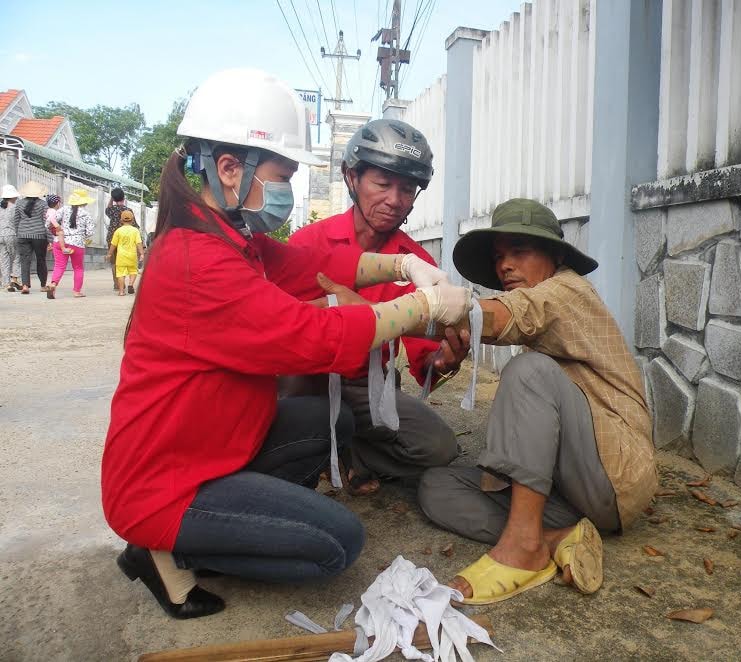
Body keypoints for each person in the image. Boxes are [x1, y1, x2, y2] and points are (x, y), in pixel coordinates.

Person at [101, 68, 471, 620]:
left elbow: (308, 264)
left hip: (210, 443)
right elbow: (310, 336)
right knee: (336, 544)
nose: (287, 190)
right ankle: (163, 547)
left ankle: (227, 521)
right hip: (164, 481)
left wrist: (401, 263)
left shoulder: (229, 233)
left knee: (335, 422)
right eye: (282, 174)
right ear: (230, 168)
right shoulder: (196, 260)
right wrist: (418, 307)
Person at [418, 198, 657, 605]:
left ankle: (523, 550)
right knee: (435, 487)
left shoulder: (566, 289)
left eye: (519, 252)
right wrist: (442, 356)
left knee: (528, 373)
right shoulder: (544, 297)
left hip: (615, 476)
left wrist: (402, 312)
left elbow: (503, 315)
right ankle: (555, 536)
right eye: (499, 257)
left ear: (556, 255)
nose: (505, 266)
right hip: (571, 493)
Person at [290, 119, 469, 495]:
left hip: (365, 386)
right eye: (383, 184)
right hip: (302, 377)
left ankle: (350, 453)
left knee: (439, 447)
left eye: (407, 189)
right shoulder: (309, 243)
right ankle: (310, 457)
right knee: (292, 411)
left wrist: (444, 361)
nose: (394, 199)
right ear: (351, 177)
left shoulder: (416, 262)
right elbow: (276, 324)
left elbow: (426, 359)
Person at [47, 189, 95, 299]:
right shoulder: (86, 214)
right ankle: (76, 291)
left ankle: (53, 284)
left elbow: (49, 222)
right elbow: (90, 232)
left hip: (60, 241)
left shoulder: (63, 209)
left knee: (59, 265)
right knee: (78, 268)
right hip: (77, 244)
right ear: (84, 202)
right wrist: (82, 236)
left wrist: (57, 229)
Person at [14, 180, 50, 294]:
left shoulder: (19, 203)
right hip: (39, 236)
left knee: (25, 260)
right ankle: (43, 285)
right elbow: (46, 221)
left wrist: (18, 232)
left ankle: (25, 285)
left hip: (22, 234)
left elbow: (16, 220)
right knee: (41, 260)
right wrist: (50, 239)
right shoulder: (43, 204)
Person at [105, 187, 138, 290]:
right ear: (124, 197)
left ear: (113, 199)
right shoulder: (128, 211)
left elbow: (108, 207)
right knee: (126, 262)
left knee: (114, 263)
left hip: (112, 239)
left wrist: (112, 198)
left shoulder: (111, 210)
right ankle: (129, 283)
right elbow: (135, 225)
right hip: (126, 239)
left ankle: (118, 284)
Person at [106, 209, 143, 295]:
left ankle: (121, 291)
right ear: (132, 220)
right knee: (133, 271)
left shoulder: (118, 231)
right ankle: (130, 284)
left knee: (120, 273)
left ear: (121, 220)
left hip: (121, 257)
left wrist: (109, 254)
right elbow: (139, 243)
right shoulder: (135, 231)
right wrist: (141, 253)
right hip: (132, 256)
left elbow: (113, 244)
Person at [0, 184, 22, 291]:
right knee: (16, 256)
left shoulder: (0, 207)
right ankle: (15, 278)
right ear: (13, 196)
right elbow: (19, 222)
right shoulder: (15, 208)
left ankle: (5, 283)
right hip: (12, 235)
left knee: (4, 259)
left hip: (0, 235)